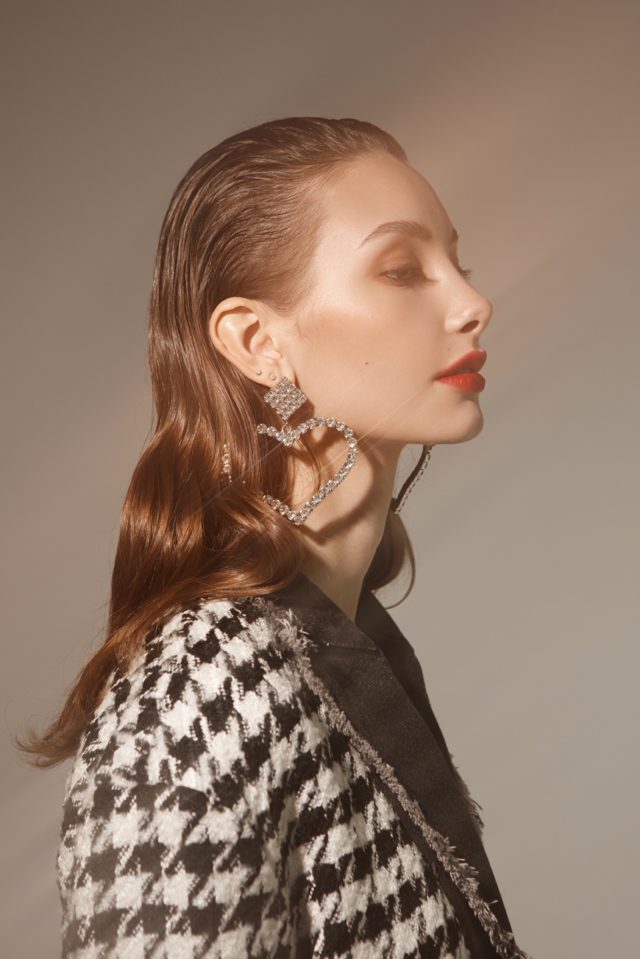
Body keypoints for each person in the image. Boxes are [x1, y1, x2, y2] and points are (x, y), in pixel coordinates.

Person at [16, 116, 532, 958]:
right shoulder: (192, 710)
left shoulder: (345, 642)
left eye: (455, 263)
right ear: (258, 343)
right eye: (402, 269)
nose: (473, 304)